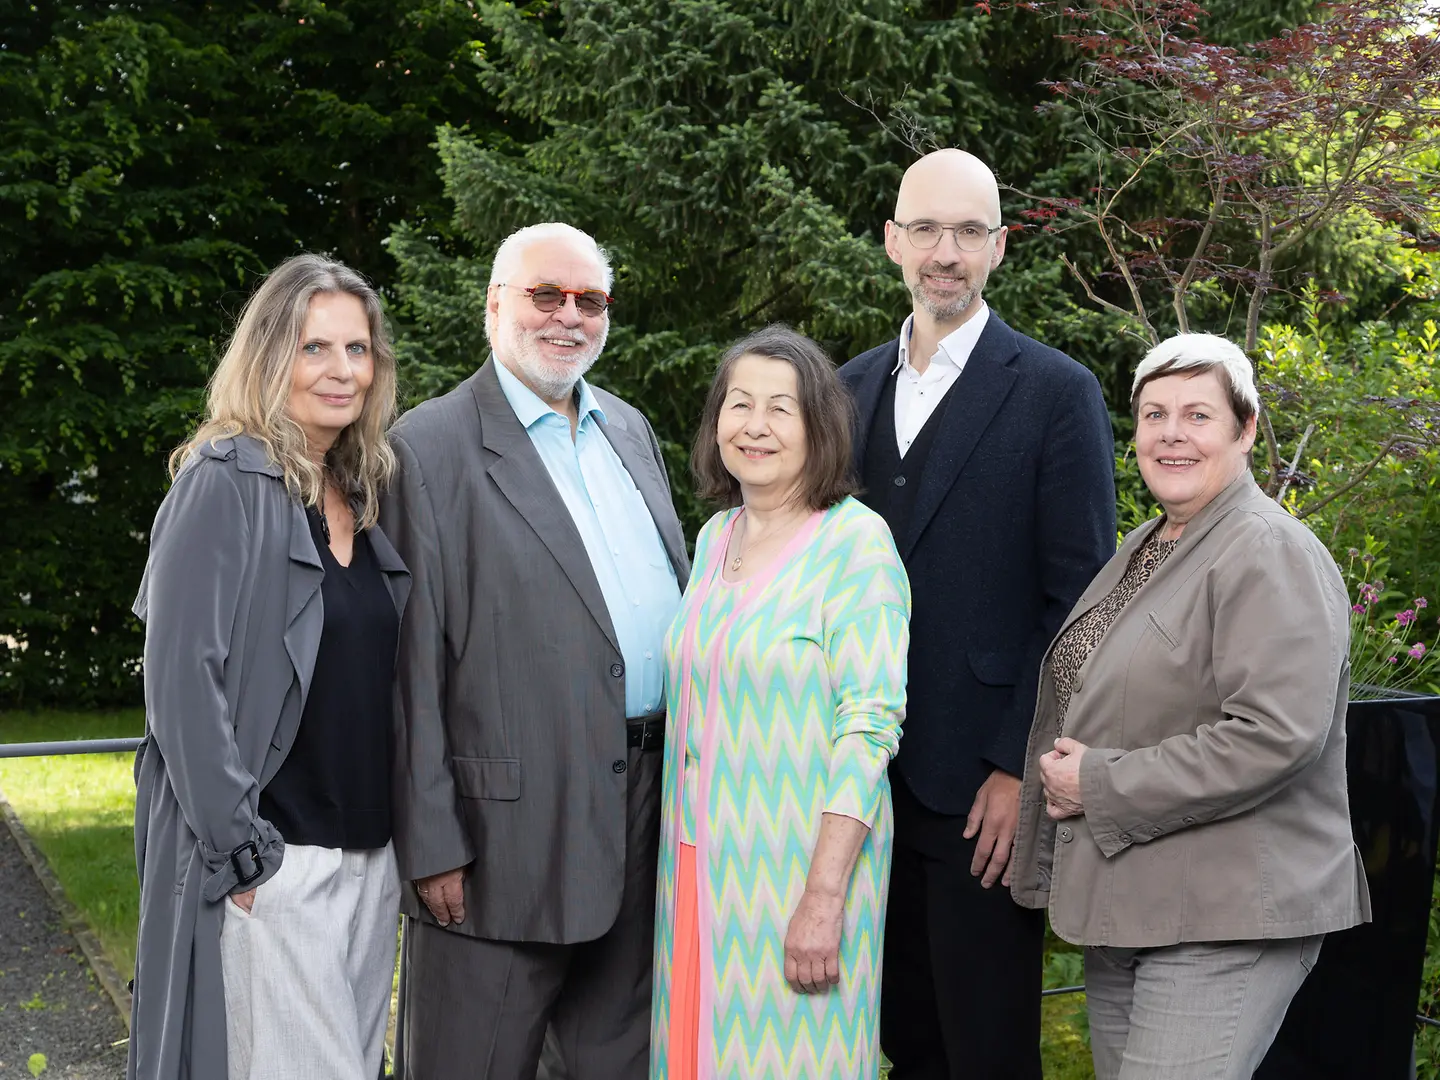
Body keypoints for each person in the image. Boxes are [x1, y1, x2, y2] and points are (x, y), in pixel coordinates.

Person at [1009, 332, 1372, 1079]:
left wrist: (1099, 783)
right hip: (1138, 905)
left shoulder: (1269, 550)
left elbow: (1275, 735)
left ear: (1245, 430)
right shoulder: (1151, 542)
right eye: (1154, 415)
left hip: (1222, 916)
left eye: (1198, 415)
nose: (1172, 433)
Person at [381, 222, 690, 1080]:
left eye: (590, 300)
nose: (569, 317)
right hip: (498, 845)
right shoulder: (426, 448)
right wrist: (431, 840)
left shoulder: (629, 430)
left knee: (616, 1063)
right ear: (494, 303)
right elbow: (408, 669)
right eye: (545, 295)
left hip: (645, 816)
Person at [837, 148, 1116, 1078]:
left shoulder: (1055, 392)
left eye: (966, 232)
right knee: (893, 1039)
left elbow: (1079, 607)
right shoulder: (843, 392)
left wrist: (1016, 766)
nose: (943, 252)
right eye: (924, 230)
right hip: (853, 785)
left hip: (978, 796)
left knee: (985, 1049)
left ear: (999, 246)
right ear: (891, 242)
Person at [128, 254, 410, 1080]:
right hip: (276, 855)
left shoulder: (355, 488)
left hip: (369, 860)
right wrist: (239, 847)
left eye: (357, 350)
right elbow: (181, 680)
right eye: (314, 347)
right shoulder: (224, 479)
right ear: (268, 356)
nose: (341, 371)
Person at [652, 325, 910, 1080]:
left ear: (818, 428)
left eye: (780, 409)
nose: (754, 426)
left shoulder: (856, 546)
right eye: (739, 405)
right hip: (694, 870)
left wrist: (823, 895)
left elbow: (869, 727)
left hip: (799, 873)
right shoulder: (713, 537)